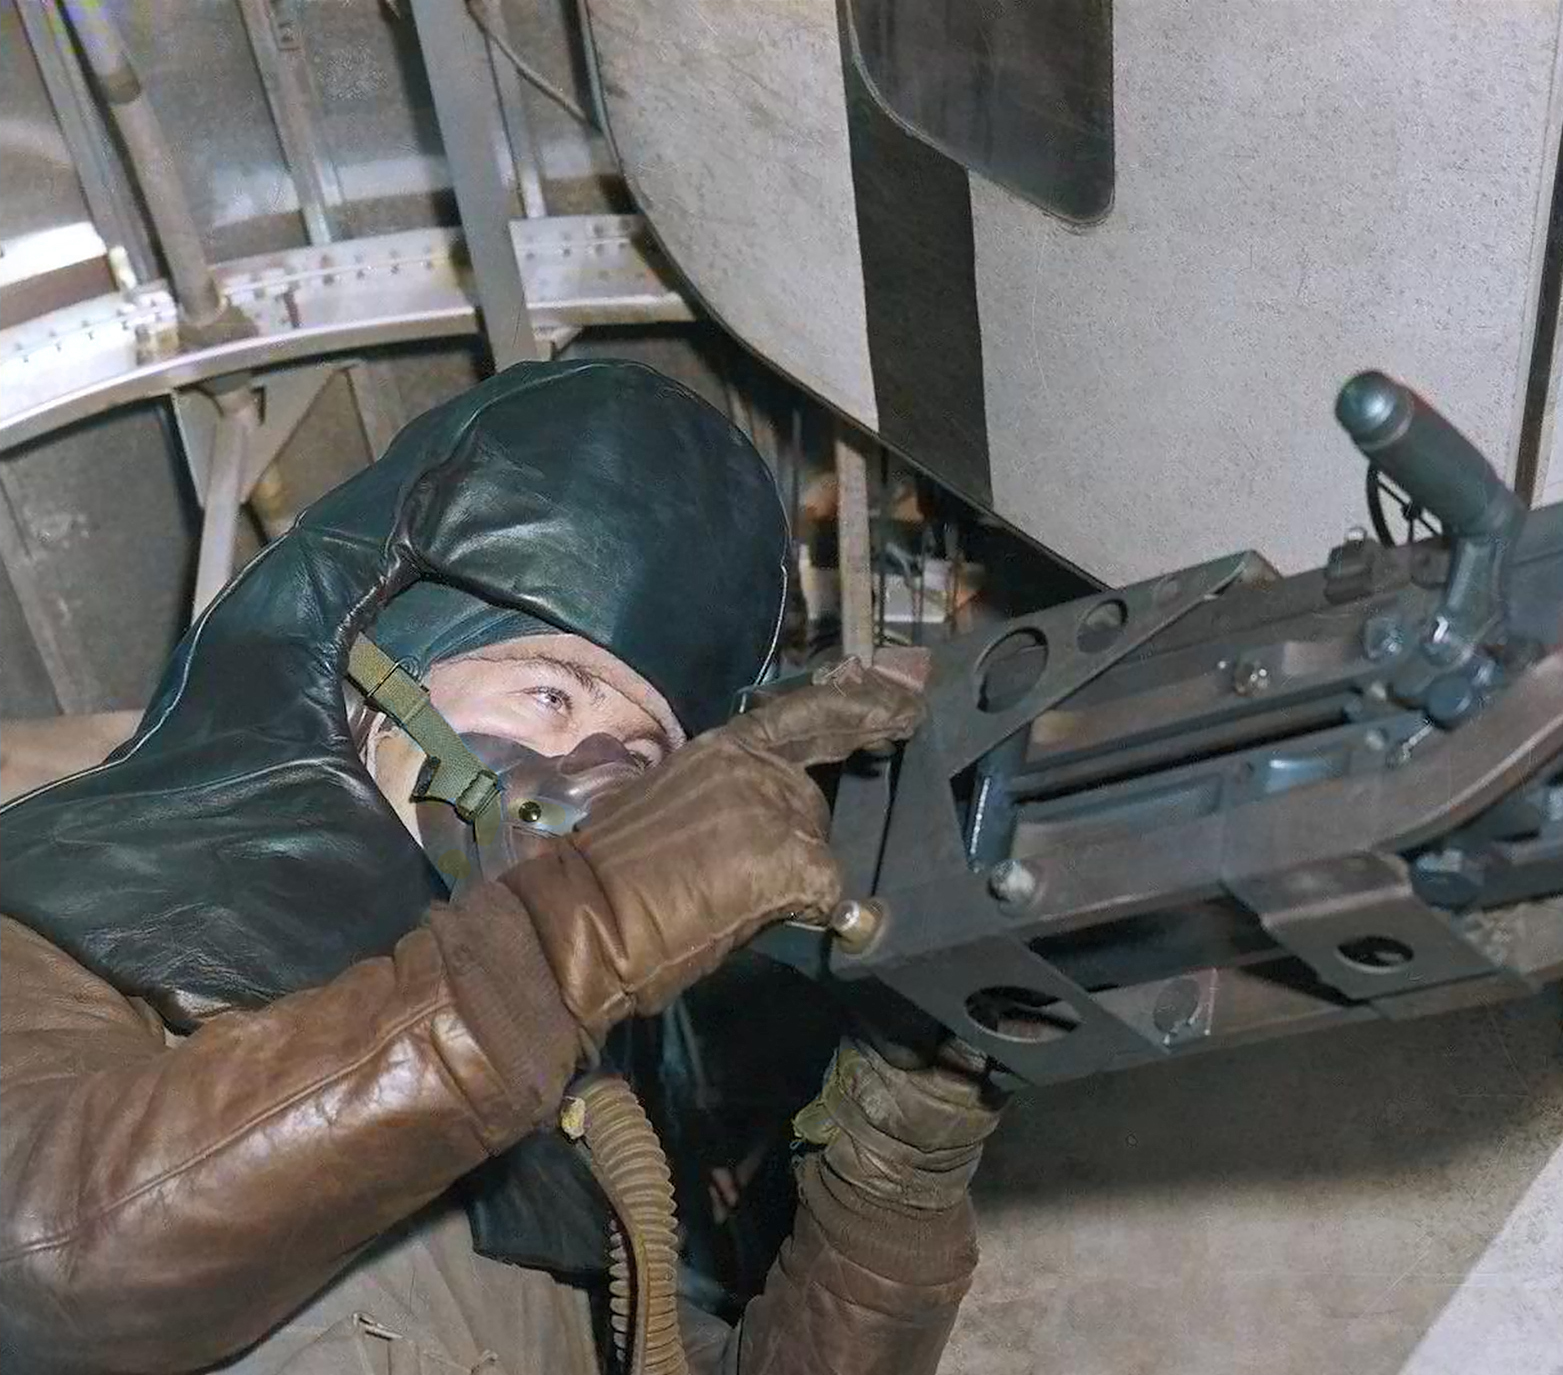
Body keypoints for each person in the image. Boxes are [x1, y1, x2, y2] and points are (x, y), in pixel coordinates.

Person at [0, 360, 1002, 1374]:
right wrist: (574, 934)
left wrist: (895, 1160)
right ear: (364, 679)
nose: (585, 778)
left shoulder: (549, 1146)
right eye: (550, 697)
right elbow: (44, 1262)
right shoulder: (60, 914)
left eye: (641, 754)